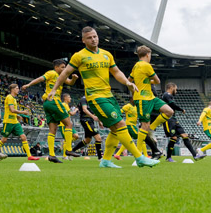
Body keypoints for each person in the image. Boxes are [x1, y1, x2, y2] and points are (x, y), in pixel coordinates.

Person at [47, 27, 159, 168]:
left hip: (109, 96)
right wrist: (54, 89)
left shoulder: (106, 54)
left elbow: (116, 72)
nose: (93, 39)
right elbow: (64, 74)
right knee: (120, 124)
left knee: (115, 130)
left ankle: (105, 161)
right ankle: (139, 157)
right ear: (83, 40)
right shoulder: (79, 56)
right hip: (95, 97)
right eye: (89, 37)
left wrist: (127, 82)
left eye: (95, 36)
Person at [21, 59, 80, 163]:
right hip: (54, 101)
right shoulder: (52, 73)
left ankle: (52, 155)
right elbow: (40, 79)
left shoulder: (62, 76)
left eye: (64, 67)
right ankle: (69, 149)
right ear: (56, 67)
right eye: (62, 67)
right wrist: (28, 85)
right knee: (69, 124)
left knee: (53, 130)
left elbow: (70, 82)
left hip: (47, 104)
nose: (64, 69)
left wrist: (74, 79)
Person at [129, 46, 173, 157]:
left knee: (169, 111)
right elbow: (157, 81)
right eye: (151, 55)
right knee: (144, 126)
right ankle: (138, 155)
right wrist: (149, 80)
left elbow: (129, 81)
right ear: (148, 54)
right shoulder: (146, 65)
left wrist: (134, 87)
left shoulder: (135, 66)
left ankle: (152, 127)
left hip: (151, 97)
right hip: (143, 99)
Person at [159, 82, 204, 161]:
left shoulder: (169, 96)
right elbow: (172, 104)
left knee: (184, 135)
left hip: (174, 119)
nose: (176, 91)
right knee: (174, 137)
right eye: (175, 89)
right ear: (171, 88)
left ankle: (195, 155)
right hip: (167, 119)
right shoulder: (166, 95)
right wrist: (181, 109)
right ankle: (168, 157)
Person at [0, 83, 40, 161]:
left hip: (15, 121)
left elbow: (13, 111)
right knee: (4, 140)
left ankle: (29, 156)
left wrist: (18, 116)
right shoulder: (9, 97)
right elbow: (12, 110)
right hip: (8, 121)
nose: (18, 90)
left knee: (23, 137)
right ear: (12, 89)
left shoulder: (14, 98)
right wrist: (23, 113)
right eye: (17, 88)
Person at [70, 95, 104, 160]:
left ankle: (72, 151)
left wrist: (99, 122)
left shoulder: (93, 100)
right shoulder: (84, 99)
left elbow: (95, 112)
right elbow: (84, 110)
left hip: (90, 120)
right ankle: (100, 157)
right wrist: (93, 116)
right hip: (86, 120)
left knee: (87, 140)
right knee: (98, 138)